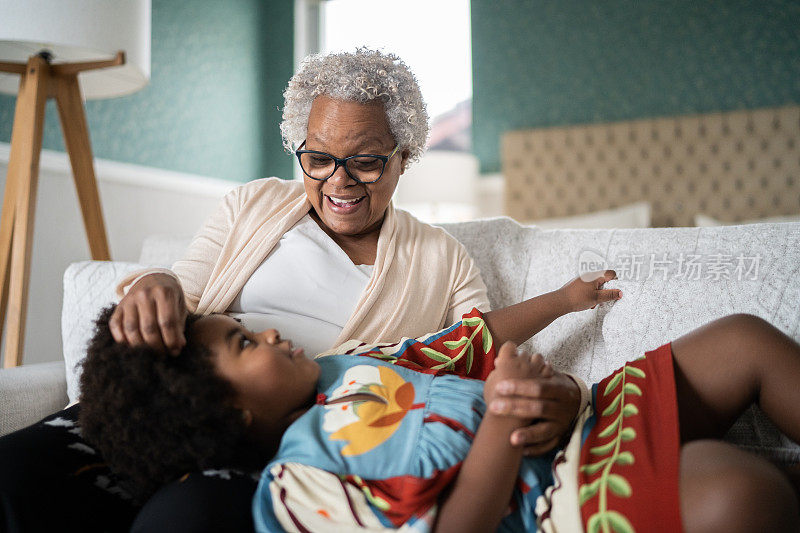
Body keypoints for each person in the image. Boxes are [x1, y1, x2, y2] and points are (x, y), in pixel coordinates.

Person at [0, 48, 583, 532]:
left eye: (367, 162)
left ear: (404, 158)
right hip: (179, 404)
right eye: (319, 158)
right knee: (19, 472)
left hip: (283, 447)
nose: (339, 181)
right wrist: (156, 285)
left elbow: (474, 357)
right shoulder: (252, 205)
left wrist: (553, 395)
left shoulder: (444, 261)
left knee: (183, 516)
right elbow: (183, 286)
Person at [78, 297, 800, 531]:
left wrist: (556, 332)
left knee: (742, 339)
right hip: (556, 505)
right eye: (242, 343)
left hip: (590, 427)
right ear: (226, 416)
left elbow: (469, 342)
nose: (265, 331)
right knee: (740, 492)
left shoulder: (351, 362)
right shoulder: (299, 486)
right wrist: (501, 422)